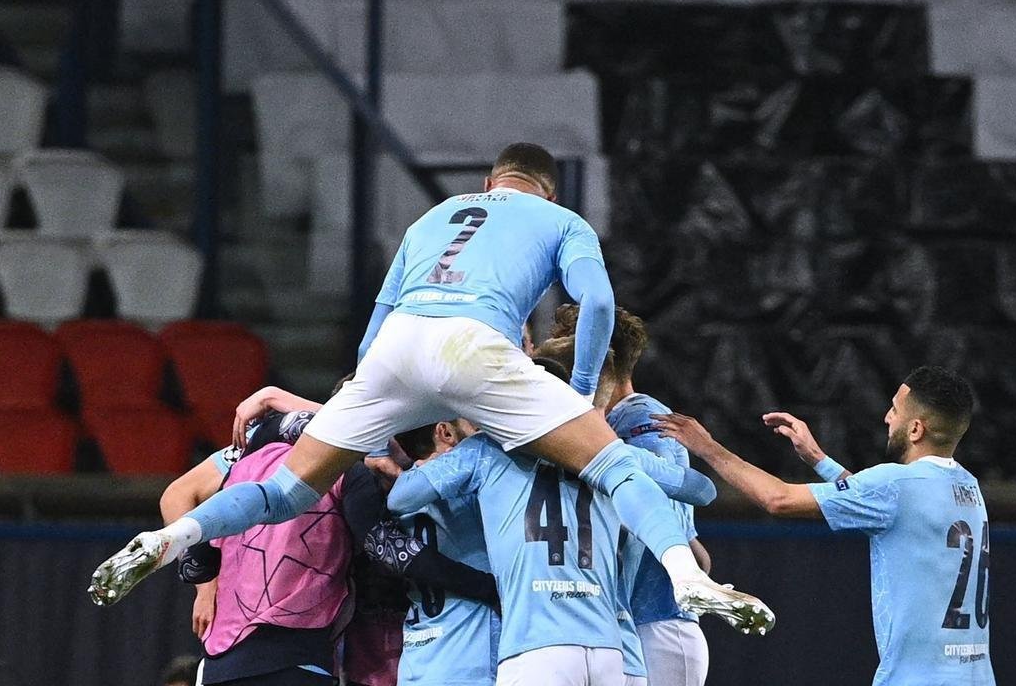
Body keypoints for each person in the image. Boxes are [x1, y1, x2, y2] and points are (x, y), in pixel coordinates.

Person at [91, 143, 773, 635]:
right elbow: (594, 306)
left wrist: (370, 423)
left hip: (397, 347)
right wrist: (582, 392)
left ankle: (174, 536)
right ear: (548, 192)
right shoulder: (559, 222)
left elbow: (369, 340)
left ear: (488, 182)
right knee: (616, 465)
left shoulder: (433, 217)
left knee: (285, 492)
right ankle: (689, 577)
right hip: (475, 342)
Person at [654, 366, 996, 686]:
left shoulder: (896, 486)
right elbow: (884, 504)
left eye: (895, 409)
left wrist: (707, 447)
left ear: (916, 429)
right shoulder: (967, 487)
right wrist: (818, 459)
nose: (887, 417)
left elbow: (779, 499)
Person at [385, 362, 721, 686]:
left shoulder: (485, 450)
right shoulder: (609, 453)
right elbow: (701, 489)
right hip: (612, 647)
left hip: (536, 644)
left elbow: (401, 498)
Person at [162, 391, 498, 686]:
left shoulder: (249, 456)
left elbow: (197, 560)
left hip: (223, 657)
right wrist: (489, 587)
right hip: (304, 658)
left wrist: (206, 580)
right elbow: (389, 549)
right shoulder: (358, 474)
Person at [551, 306, 710, 686]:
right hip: (629, 624)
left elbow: (661, 512)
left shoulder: (644, 422)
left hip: (656, 623)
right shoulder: (610, 422)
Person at [386, 417, 500, 686]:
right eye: (476, 428)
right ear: (445, 432)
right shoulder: (474, 488)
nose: (481, 437)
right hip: (472, 657)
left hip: (417, 661)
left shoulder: (392, 488)